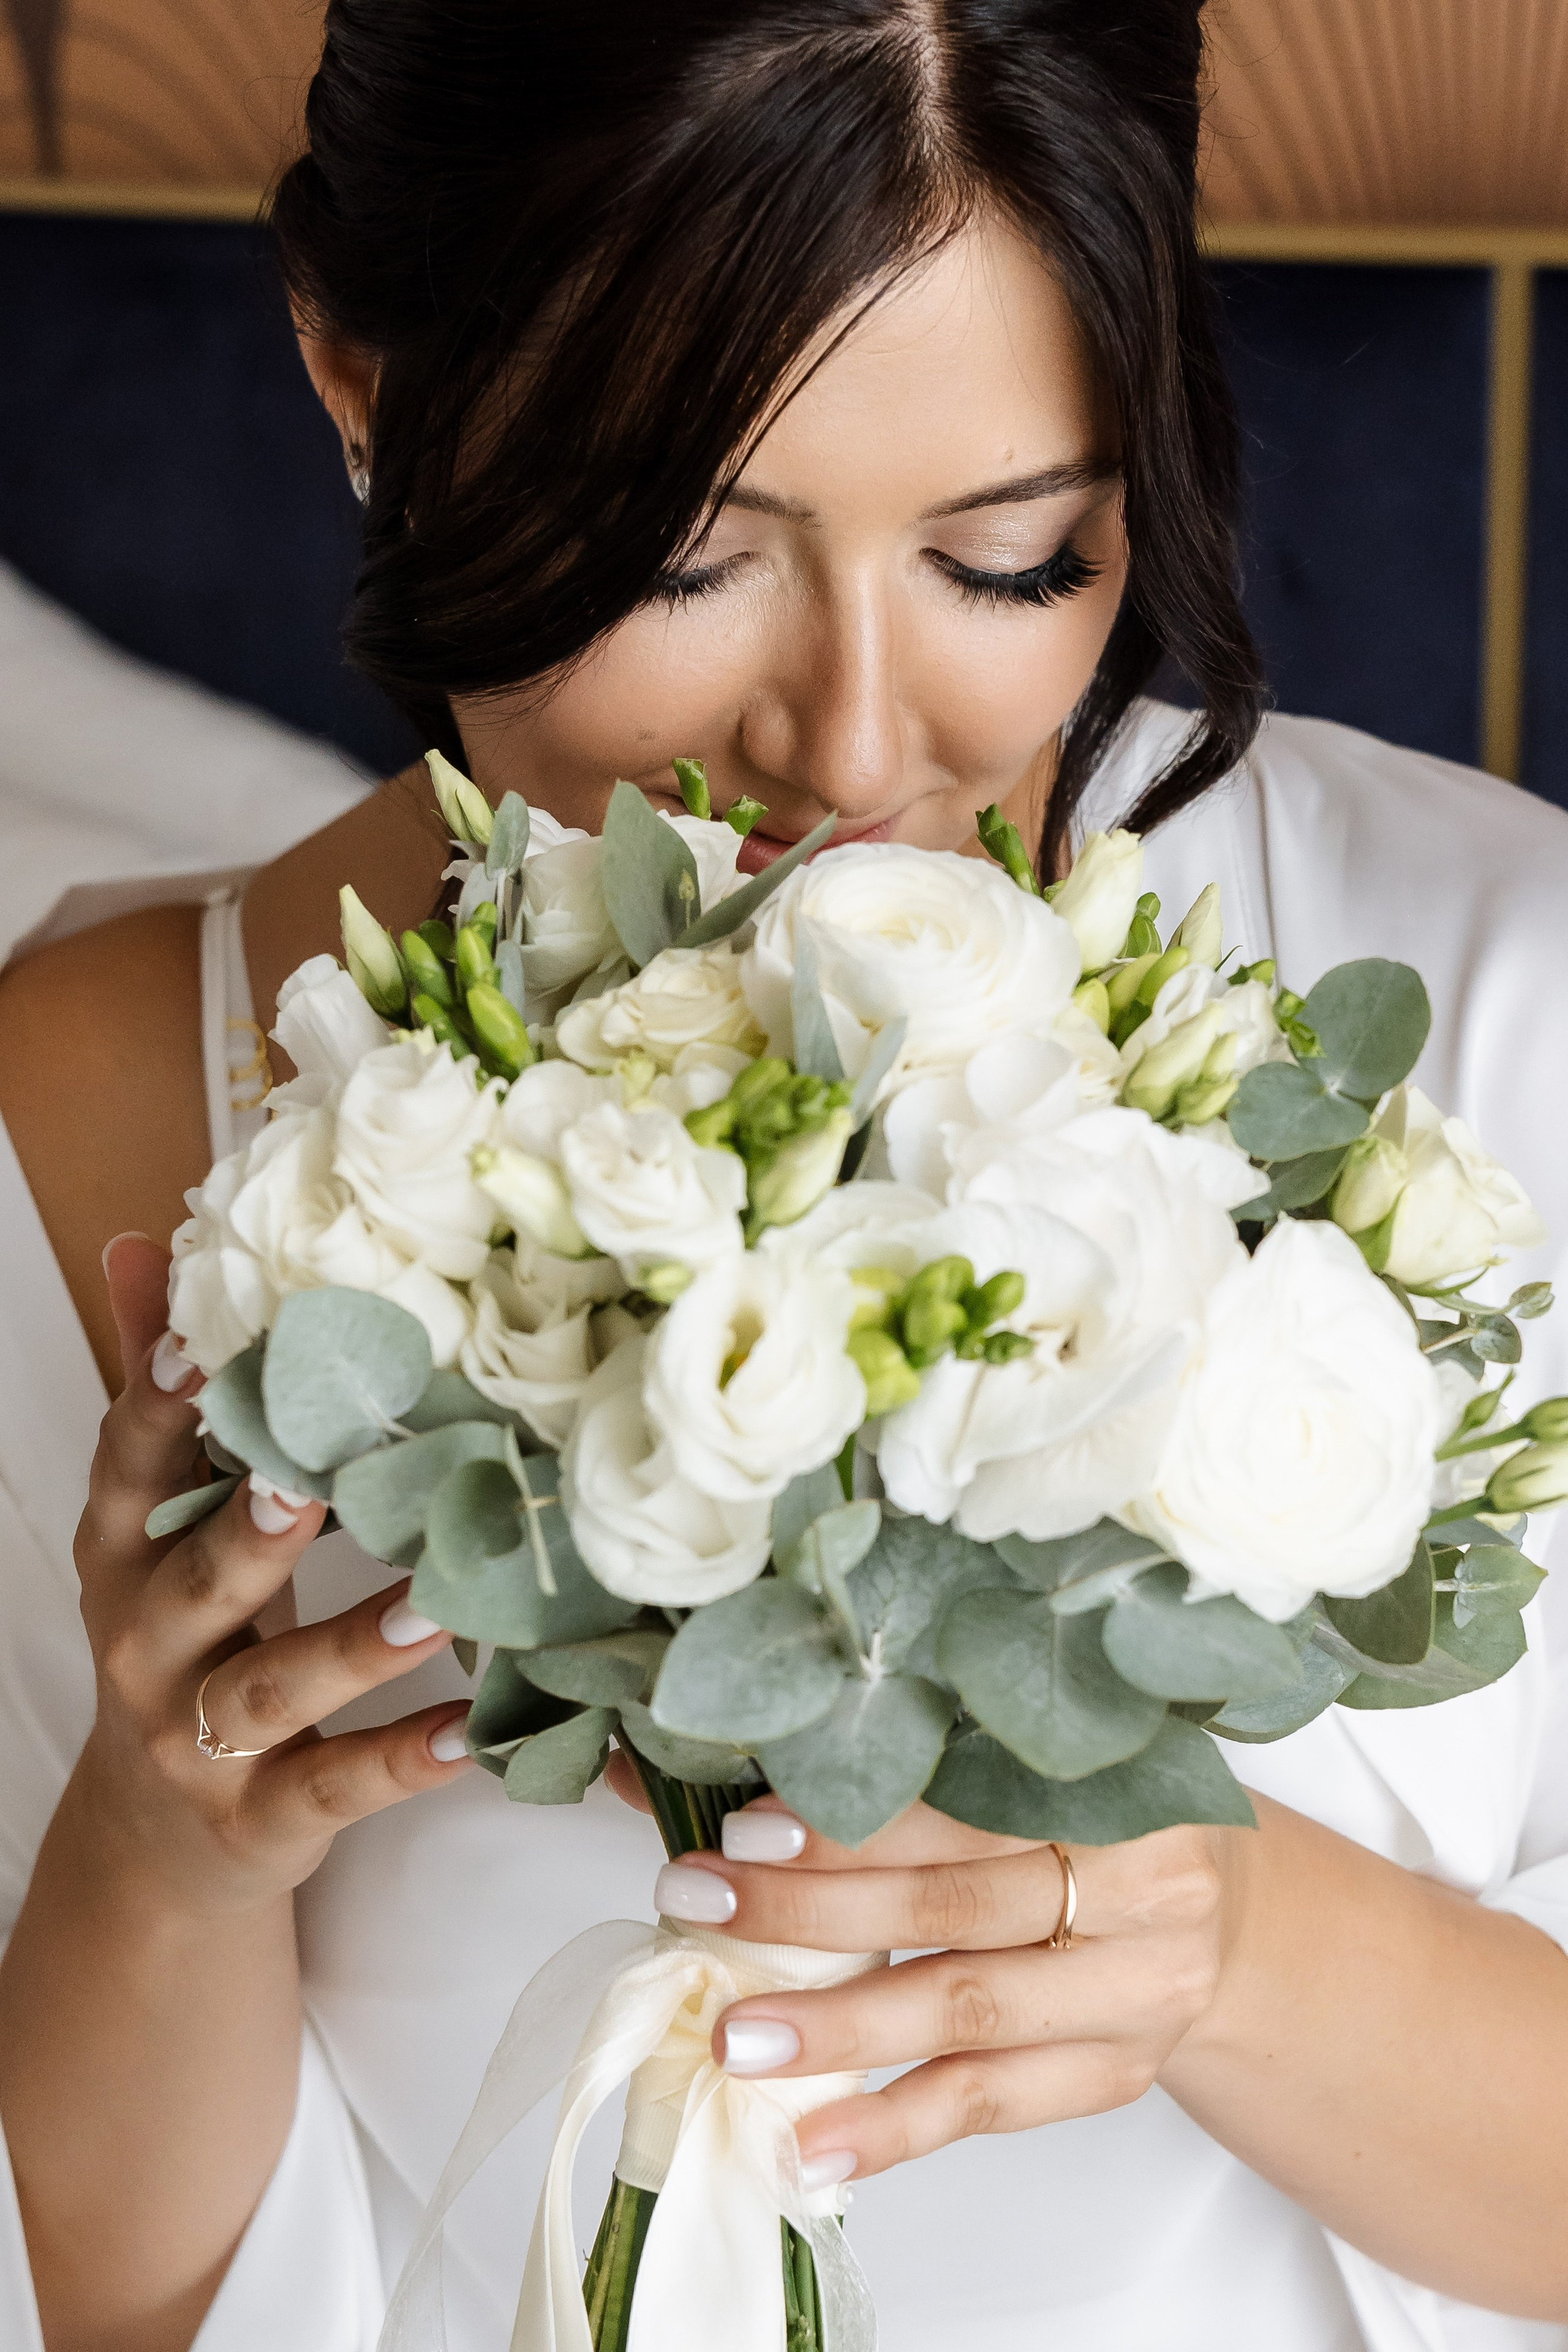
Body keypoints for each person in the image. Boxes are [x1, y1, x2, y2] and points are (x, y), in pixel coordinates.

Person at [1, 6, 1566, 2350]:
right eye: (683, 555)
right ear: (359, 393)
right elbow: (119, 2306)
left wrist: (1232, 1949)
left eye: (1011, 559)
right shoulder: (101, 1124)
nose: (848, 747)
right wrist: (157, 1851)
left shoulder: (1500, 999)